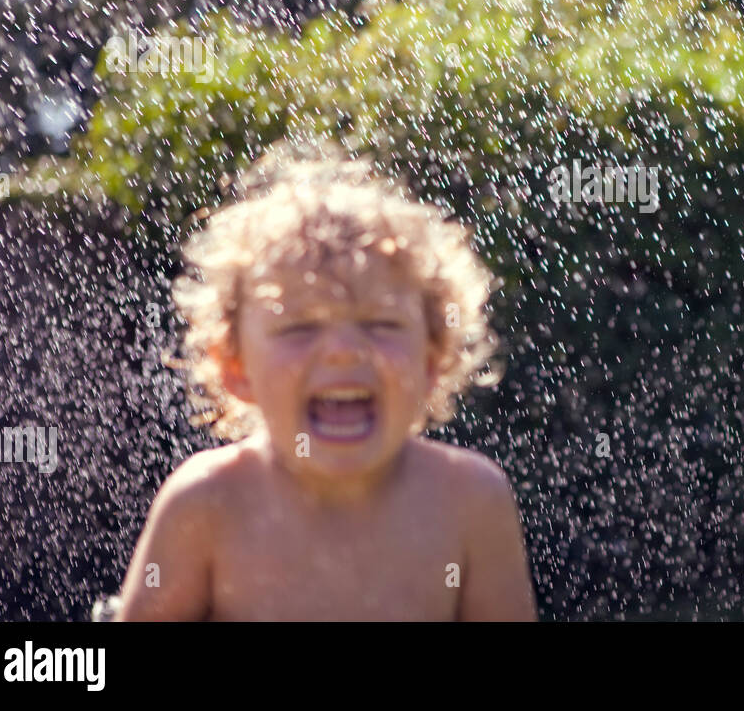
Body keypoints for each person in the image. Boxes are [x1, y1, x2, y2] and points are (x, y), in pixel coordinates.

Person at [115, 142, 536, 620]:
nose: (343, 351)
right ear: (236, 368)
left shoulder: (469, 502)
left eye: (381, 324)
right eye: (299, 327)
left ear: (432, 361)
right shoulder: (208, 503)